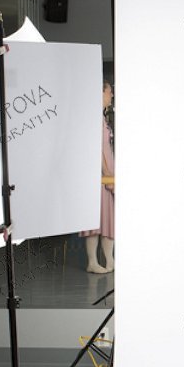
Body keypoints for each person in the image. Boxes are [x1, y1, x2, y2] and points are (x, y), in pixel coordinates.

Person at [80, 79, 115, 273]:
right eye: (109, 92)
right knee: (94, 218)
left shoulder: (101, 117)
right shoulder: (92, 116)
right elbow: (96, 146)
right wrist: (106, 171)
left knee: (109, 218)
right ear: (100, 93)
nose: (111, 95)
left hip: (107, 173)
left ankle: (110, 260)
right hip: (99, 175)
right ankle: (92, 262)